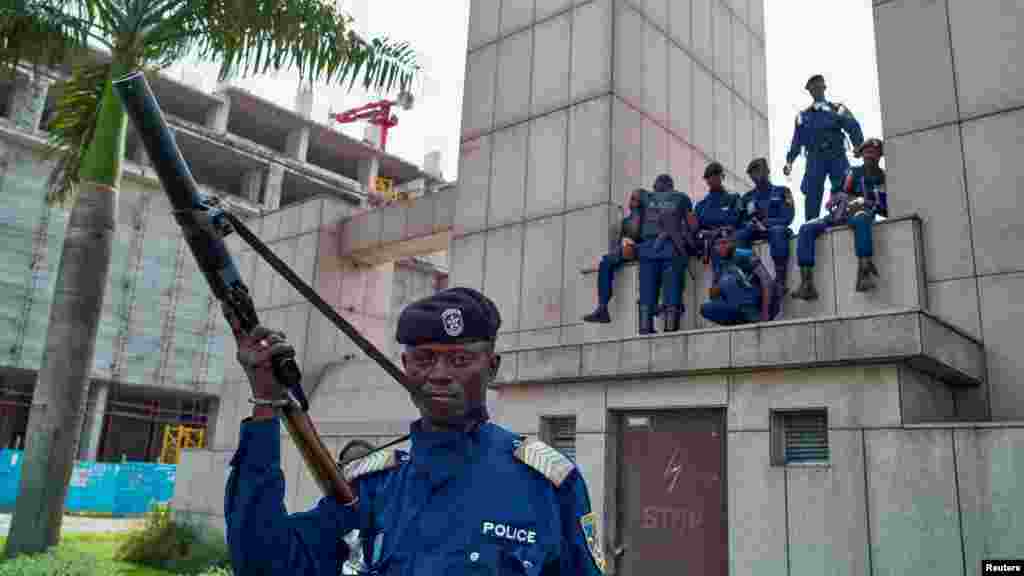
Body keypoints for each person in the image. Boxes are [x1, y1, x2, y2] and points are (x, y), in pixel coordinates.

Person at [224, 287, 608, 576]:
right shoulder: (369, 487)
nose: (440, 375)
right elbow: (266, 565)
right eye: (424, 359)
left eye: (460, 360)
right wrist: (265, 404)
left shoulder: (549, 484)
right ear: (406, 367)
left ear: (491, 367)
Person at [791, 138, 886, 300]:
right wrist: (837, 200)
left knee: (862, 219)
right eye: (867, 152)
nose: (870, 155)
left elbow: (886, 207)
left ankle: (864, 273)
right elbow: (836, 193)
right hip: (840, 213)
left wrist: (867, 202)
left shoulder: (883, 178)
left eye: (874, 152)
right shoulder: (853, 172)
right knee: (806, 228)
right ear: (862, 155)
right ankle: (806, 284)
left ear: (880, 155)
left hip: (861, 213)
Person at [783, 74, 864, 220]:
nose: (816, 90)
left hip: (836, 155)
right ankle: (811, 222)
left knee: (843, 186)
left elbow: (852, 126)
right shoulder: (803, 116)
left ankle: (841, 216)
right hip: (815, 158)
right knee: (812, 190)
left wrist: (858, 145)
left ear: (824, 88)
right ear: (810, 91)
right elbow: (797, 141)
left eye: (819, 86)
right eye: (813, 88)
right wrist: (789, 161)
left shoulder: (837, 109)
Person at [636, 174, 698, 334]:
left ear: (656, 185)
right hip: (671, 249)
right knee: (672, 290)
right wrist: (693, 245)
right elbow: (692, 225)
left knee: (646, 290)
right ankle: (670, 329)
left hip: (648, 249)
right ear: (671, 186)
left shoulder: (645, 197)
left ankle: (645, 327)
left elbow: (635, 224)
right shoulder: (682, 198)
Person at [583, 189, 645, 324]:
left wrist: (635, 247)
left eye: (635, 199)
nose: (632, 202)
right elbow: (619, 242)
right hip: (626, 252)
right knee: (606, 262)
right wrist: (621, 248)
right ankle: (602, 307)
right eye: (632, 199)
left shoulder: (649, 218)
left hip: (644, 252)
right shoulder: (626, 222)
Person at [737, 158, 795, 295]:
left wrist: (766, 224)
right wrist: (751, 225)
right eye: (752, 173)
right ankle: (750, 276)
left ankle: (780, 280)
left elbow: (788, 217)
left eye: (759, 171)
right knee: (739, 236)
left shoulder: (782, 191)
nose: (756, 175)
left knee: (777, 231)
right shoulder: (747, 198)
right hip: (755, 231)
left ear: (767, 171)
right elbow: (740, 221)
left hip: (776, 230)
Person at [700, 230, 779, 326]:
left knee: (732, 280)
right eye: (718, 244)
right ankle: (742, 322)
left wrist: (765, 312)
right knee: (706, 308)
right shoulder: (720, 265)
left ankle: (754, 317)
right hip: (736, 306)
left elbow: (767, 282)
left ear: (733, 243)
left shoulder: (745, 255)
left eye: (725, 243)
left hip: (757, 303)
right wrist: (716, 289)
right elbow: (714, 295)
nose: (722, 247)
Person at [694, 162, 743, 284]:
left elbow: (735, 220)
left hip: (729, 242)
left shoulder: (734, 198)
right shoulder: (701, 206)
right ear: (706, 180)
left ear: (723, 177)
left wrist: (717, 230)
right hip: (709, 245)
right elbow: (697, 228)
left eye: (717, 175)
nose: (714, 179)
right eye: (710, 176)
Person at [336, 440, 375, 575]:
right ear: (339, 469)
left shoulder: (391, 518)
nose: (357, 472)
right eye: (350, 464)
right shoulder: (323, 520)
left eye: (365, 464)